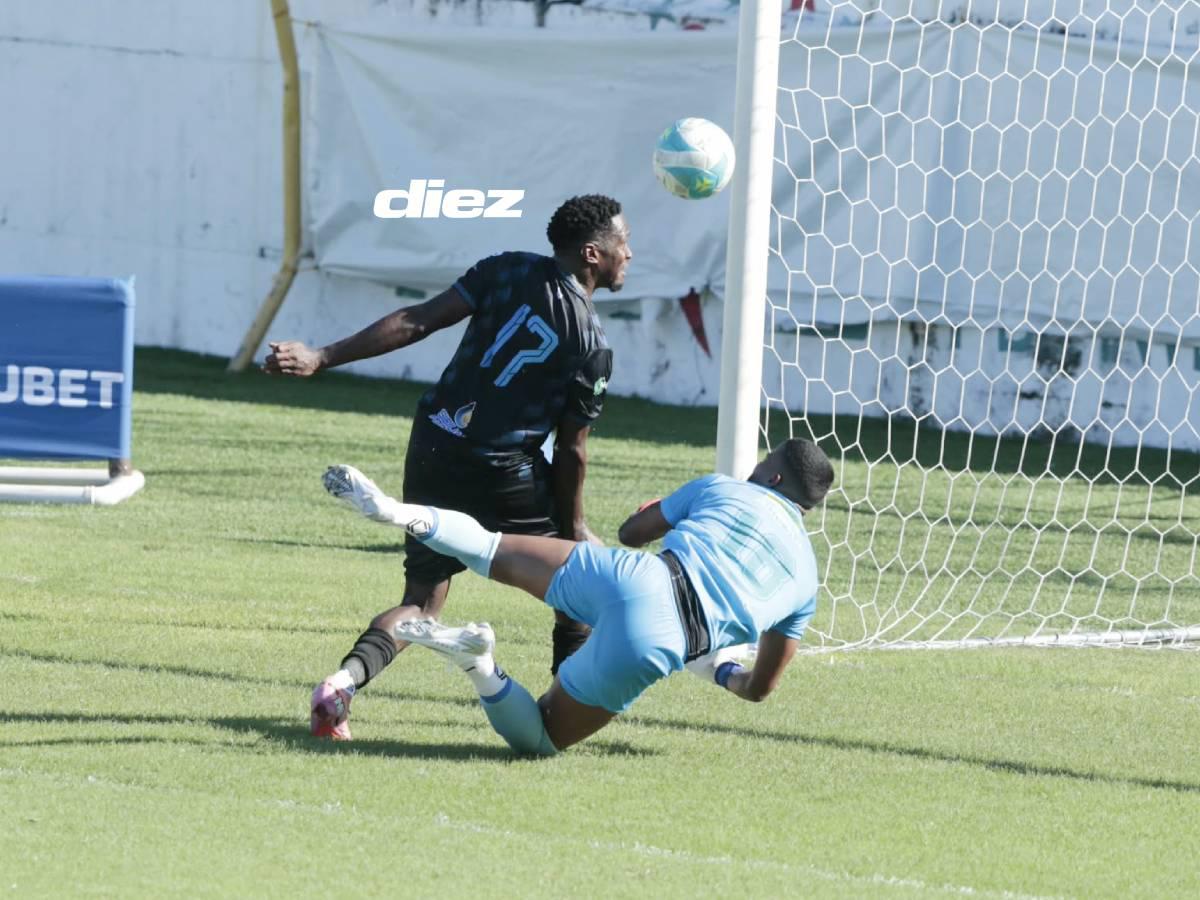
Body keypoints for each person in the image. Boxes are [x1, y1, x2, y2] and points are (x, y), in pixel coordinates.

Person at [265, 195, 631, 739]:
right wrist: (573, 529)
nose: (631, 254)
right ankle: (563, 711)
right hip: (505, 471)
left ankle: (341, 685)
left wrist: (322, 356)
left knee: (422, 602)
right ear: (592, 253)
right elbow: (572, 449)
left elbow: (416, 321)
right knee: (576, 584)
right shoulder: (591, 345)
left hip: (434, 442)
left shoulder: (504, 269)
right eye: (624, 244)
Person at [320, 437, 834, 755]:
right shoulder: (806, 581)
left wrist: (650, 511)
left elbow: (632, 533)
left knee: (486, 546)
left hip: (634, 575)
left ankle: (396, 511)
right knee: (539, 739)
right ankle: (479, 665)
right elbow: (760, 688)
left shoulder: (724, 488)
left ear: (770, 475)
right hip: (661, 640)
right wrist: (726, 672)